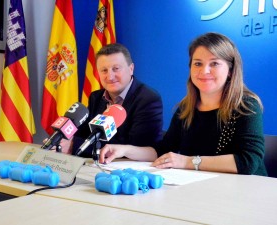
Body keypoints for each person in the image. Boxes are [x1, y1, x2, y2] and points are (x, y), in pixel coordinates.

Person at [99, 32, 267, 176]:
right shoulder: (185, 109)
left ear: (230, 70)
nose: (204, 71)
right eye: (198, 63)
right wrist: (124, 150)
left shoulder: (246, 105)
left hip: (245, 193)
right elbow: (162, 150)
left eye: (214, 63)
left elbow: (248, 162)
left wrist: (187, 162)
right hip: (199, 190)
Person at [61, 43, 163, 158]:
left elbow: (135, 146)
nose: (110, 76)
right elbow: (86, 133)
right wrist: (62, 139)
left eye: (116, 69)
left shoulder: (148, 99)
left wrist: (75, 144)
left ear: (131, 69)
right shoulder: (96, 97)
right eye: (104, 70)